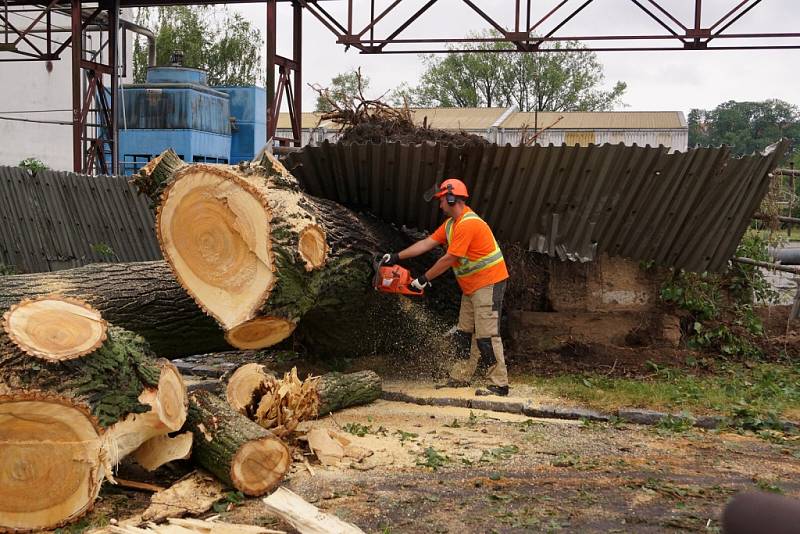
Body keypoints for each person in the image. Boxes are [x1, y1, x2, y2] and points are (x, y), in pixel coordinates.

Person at [381, 178, 510, 396]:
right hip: (471, 287)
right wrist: (395, 256)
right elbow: (426, 243)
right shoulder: (451, 225)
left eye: (441, 200)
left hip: (489, 282)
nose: (440, 205)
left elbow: (450, 258)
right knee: (463, 333)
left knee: (486, 335)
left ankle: (500, 384)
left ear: (452, 199)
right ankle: (461, 376)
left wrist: (424, 278)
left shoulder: (469, 223)